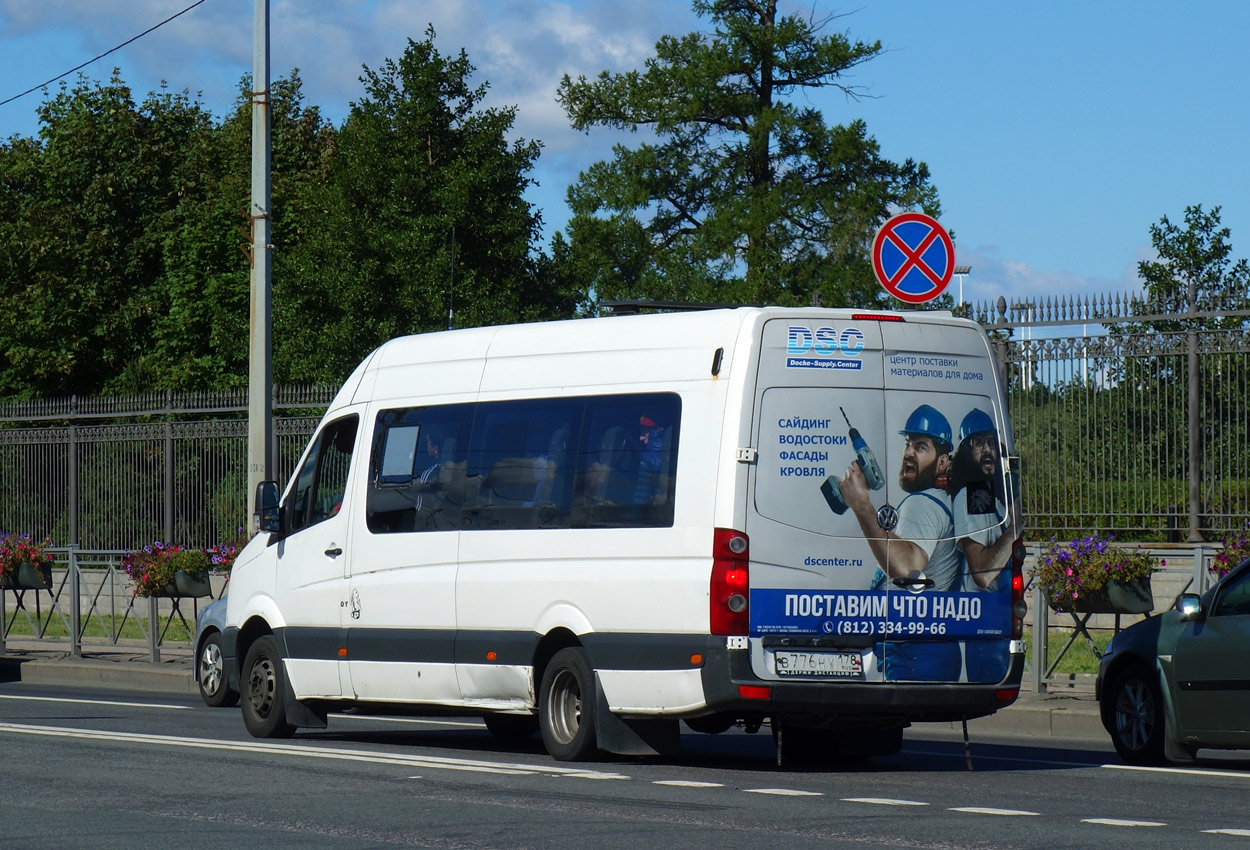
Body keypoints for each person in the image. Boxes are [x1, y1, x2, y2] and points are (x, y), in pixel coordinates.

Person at [840, 403, 962, 681]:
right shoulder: (945, 501)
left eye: (921, 447)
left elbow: (907, 570)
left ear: (942, 462)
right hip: (932, 643)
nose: (908, 453)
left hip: (914, 649)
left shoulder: (923, 503)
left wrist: (861, 505)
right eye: (908, 444)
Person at [949, 408, 1020, 682]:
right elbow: (982, 573)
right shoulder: (975, 492)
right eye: (978, 443)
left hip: (994, 619)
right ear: (966, 452)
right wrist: (1014, 528)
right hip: (983, 622)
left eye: (990, 441)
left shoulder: (991, 494)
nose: (987, 449)